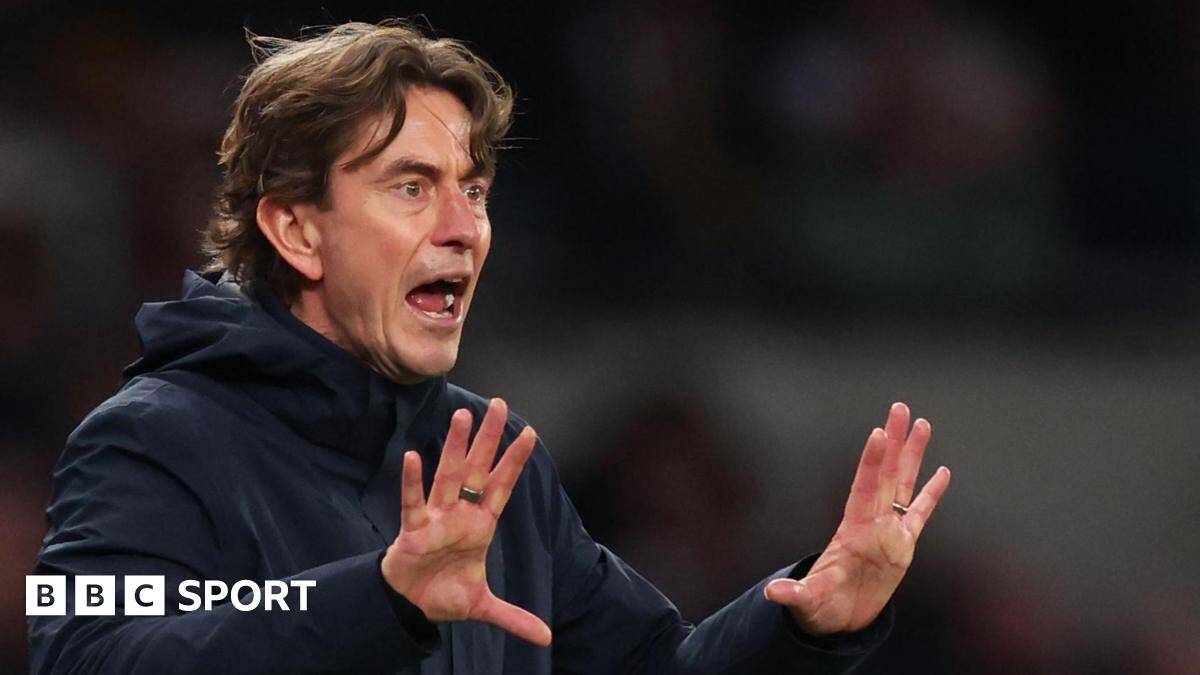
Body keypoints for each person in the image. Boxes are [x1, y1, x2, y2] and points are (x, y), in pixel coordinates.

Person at [28, 21, 951, 674]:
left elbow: (651, 664)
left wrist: (806, 623)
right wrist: (380, 597)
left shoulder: (492, 459)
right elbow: (87, 655)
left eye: (473, 189)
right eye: (411, 186)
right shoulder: (150, 440)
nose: (463, 226)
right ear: (297, 230)